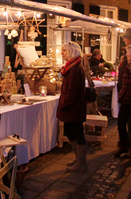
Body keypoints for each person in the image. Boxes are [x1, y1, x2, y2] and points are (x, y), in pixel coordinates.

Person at [56, 41, 87, 172]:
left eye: (64, 51)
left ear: (71, 52)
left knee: (77, 133)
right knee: (70, 131)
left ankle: (81, 162)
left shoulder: (75, 69)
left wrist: (64, 103)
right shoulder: (72, 67)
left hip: (74, 108)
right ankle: (78, 158)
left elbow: (72, 91)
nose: (62, 54)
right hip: (72, 107)